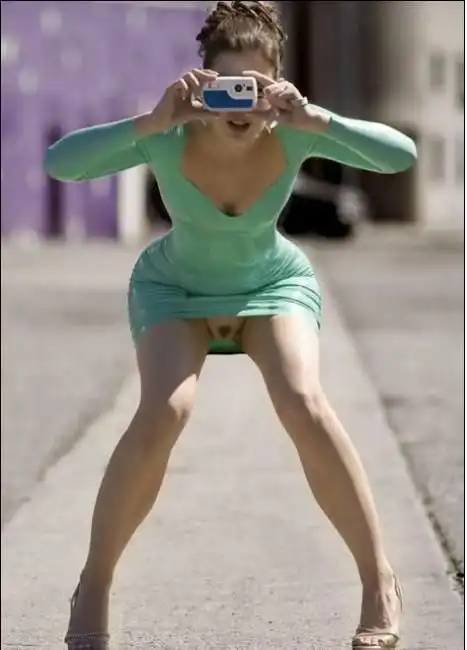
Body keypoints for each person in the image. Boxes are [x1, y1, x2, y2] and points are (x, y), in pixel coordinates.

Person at [45, 2, 416, 648]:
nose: (239, 104)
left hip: (271, 285)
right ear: (203, 82)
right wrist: (150, 120)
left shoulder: (292, 133)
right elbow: (61, 162)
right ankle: (94, 585)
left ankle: (378, 583)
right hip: (175, 289)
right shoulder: (169, 134)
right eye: (225, 86)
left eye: (254, 86)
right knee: (166, 411)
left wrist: (317, 119)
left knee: (303, 401)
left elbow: (400, 157)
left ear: (276, 85)